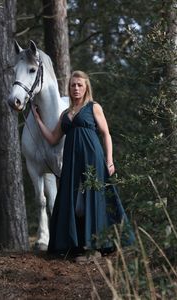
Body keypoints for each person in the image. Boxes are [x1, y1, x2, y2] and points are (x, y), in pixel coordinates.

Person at [33, 70, 135, 258]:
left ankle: (96, 246)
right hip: (72, 162)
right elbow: (53, 138)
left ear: (86, 87)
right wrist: (38, 120)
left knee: (94, 198)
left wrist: (109, 160)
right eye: (73, 85)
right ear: (69, 88)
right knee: (71, 199)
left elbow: (106, 134)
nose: (76, 88)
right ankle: (75, 245)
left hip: (92, 159)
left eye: (80, 85)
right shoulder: (65, 113)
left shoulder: (93, 107)